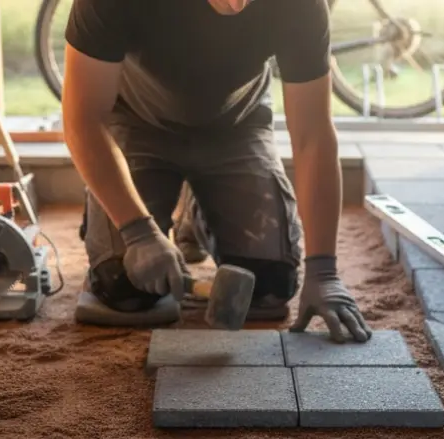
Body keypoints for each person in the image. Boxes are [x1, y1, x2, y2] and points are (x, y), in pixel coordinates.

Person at [61, 0, 372, 343]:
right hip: (137, 125)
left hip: (236, 127)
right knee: (123, 285)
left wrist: (323, 270)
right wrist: (137, 231)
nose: (239, 3)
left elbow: (312, 134)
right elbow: (83, 120)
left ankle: (197, 215)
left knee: (268, 285)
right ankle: (155, 217)